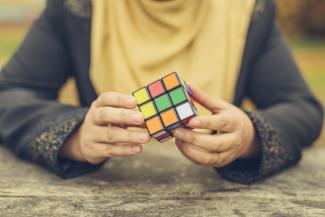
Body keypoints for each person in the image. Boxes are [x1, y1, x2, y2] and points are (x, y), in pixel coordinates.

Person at [0, 0, 323, 184]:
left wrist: (249, 137)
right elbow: (10, 93)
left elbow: (302, 108)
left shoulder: (249, 10)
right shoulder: (75, 6)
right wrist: (76, 136)